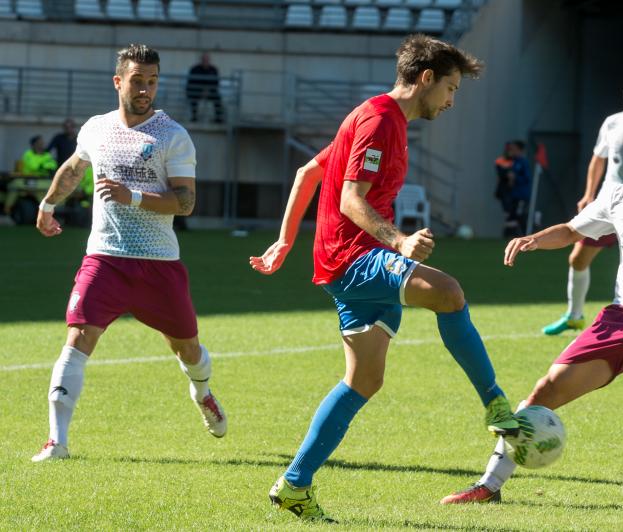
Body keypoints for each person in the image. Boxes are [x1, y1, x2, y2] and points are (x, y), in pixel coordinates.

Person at [249, 34, 519, 521]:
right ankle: (495, 403)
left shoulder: (373, 116)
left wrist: (286, 242)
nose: (453, 101)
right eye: (451, 88)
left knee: (364, 380)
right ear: (426, 79)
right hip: (356, 256)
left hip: (342, 261)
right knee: (449, 293)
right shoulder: (379, 120)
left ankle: (294, 484)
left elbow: (308, 174)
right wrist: (399, 241)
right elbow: (352, 198)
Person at [440, 108, 623, 513]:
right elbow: (572, 230)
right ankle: (489, 484)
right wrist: (534, 239)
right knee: (542, 392)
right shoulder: (621, 195)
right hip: (622, 319)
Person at [32, 44, 227, 462]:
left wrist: (131, 196)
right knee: (78, 337)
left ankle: (203, 392)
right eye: (137, 80)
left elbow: (186, 202)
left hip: (159, 262)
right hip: (104, 257)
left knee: (188, 349)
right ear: (118, 81)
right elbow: (73, 168)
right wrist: (48, 204)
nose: (145, 89)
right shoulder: (96, 128)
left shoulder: (172, 135)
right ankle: (57, 441)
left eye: (152, 81)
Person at [542, 71, 623, 336]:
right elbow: (598, 159)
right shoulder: (613, 124)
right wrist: (588, 194)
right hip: (608, 204)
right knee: (578, 258)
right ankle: (574, 316)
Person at [185, 52, 224, 123]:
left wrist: (207, 90)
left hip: (210, 92)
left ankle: (218, 119)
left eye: (207, 60)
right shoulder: (194, 69)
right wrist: (201, 90)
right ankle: (194, 117)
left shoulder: (214, 69)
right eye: (204, 59)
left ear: (209, 60)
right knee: (192, 96)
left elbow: (216, 83)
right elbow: (191, 82)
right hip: (197, 91)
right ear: (201, 60)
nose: (205, 61)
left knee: (217, 98)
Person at [505, 140, 532, 237]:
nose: (511, 151)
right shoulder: (512, 162)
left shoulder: (523, 162)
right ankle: (510, 235)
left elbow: (527, 178)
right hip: (514, 195)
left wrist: (515, 178)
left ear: (520, 150)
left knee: (519, 215)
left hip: (522, 195)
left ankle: (525, 236)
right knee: (512, 214)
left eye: (514, 149)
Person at [494, 142, 515, 236]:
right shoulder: (500, 161)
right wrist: (508, 175)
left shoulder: (516, 161)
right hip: (504, 191)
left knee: (512, 213)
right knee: (508, 212)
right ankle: (508, 233)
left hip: (514, 192)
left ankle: (510, 232)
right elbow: (501, 174)